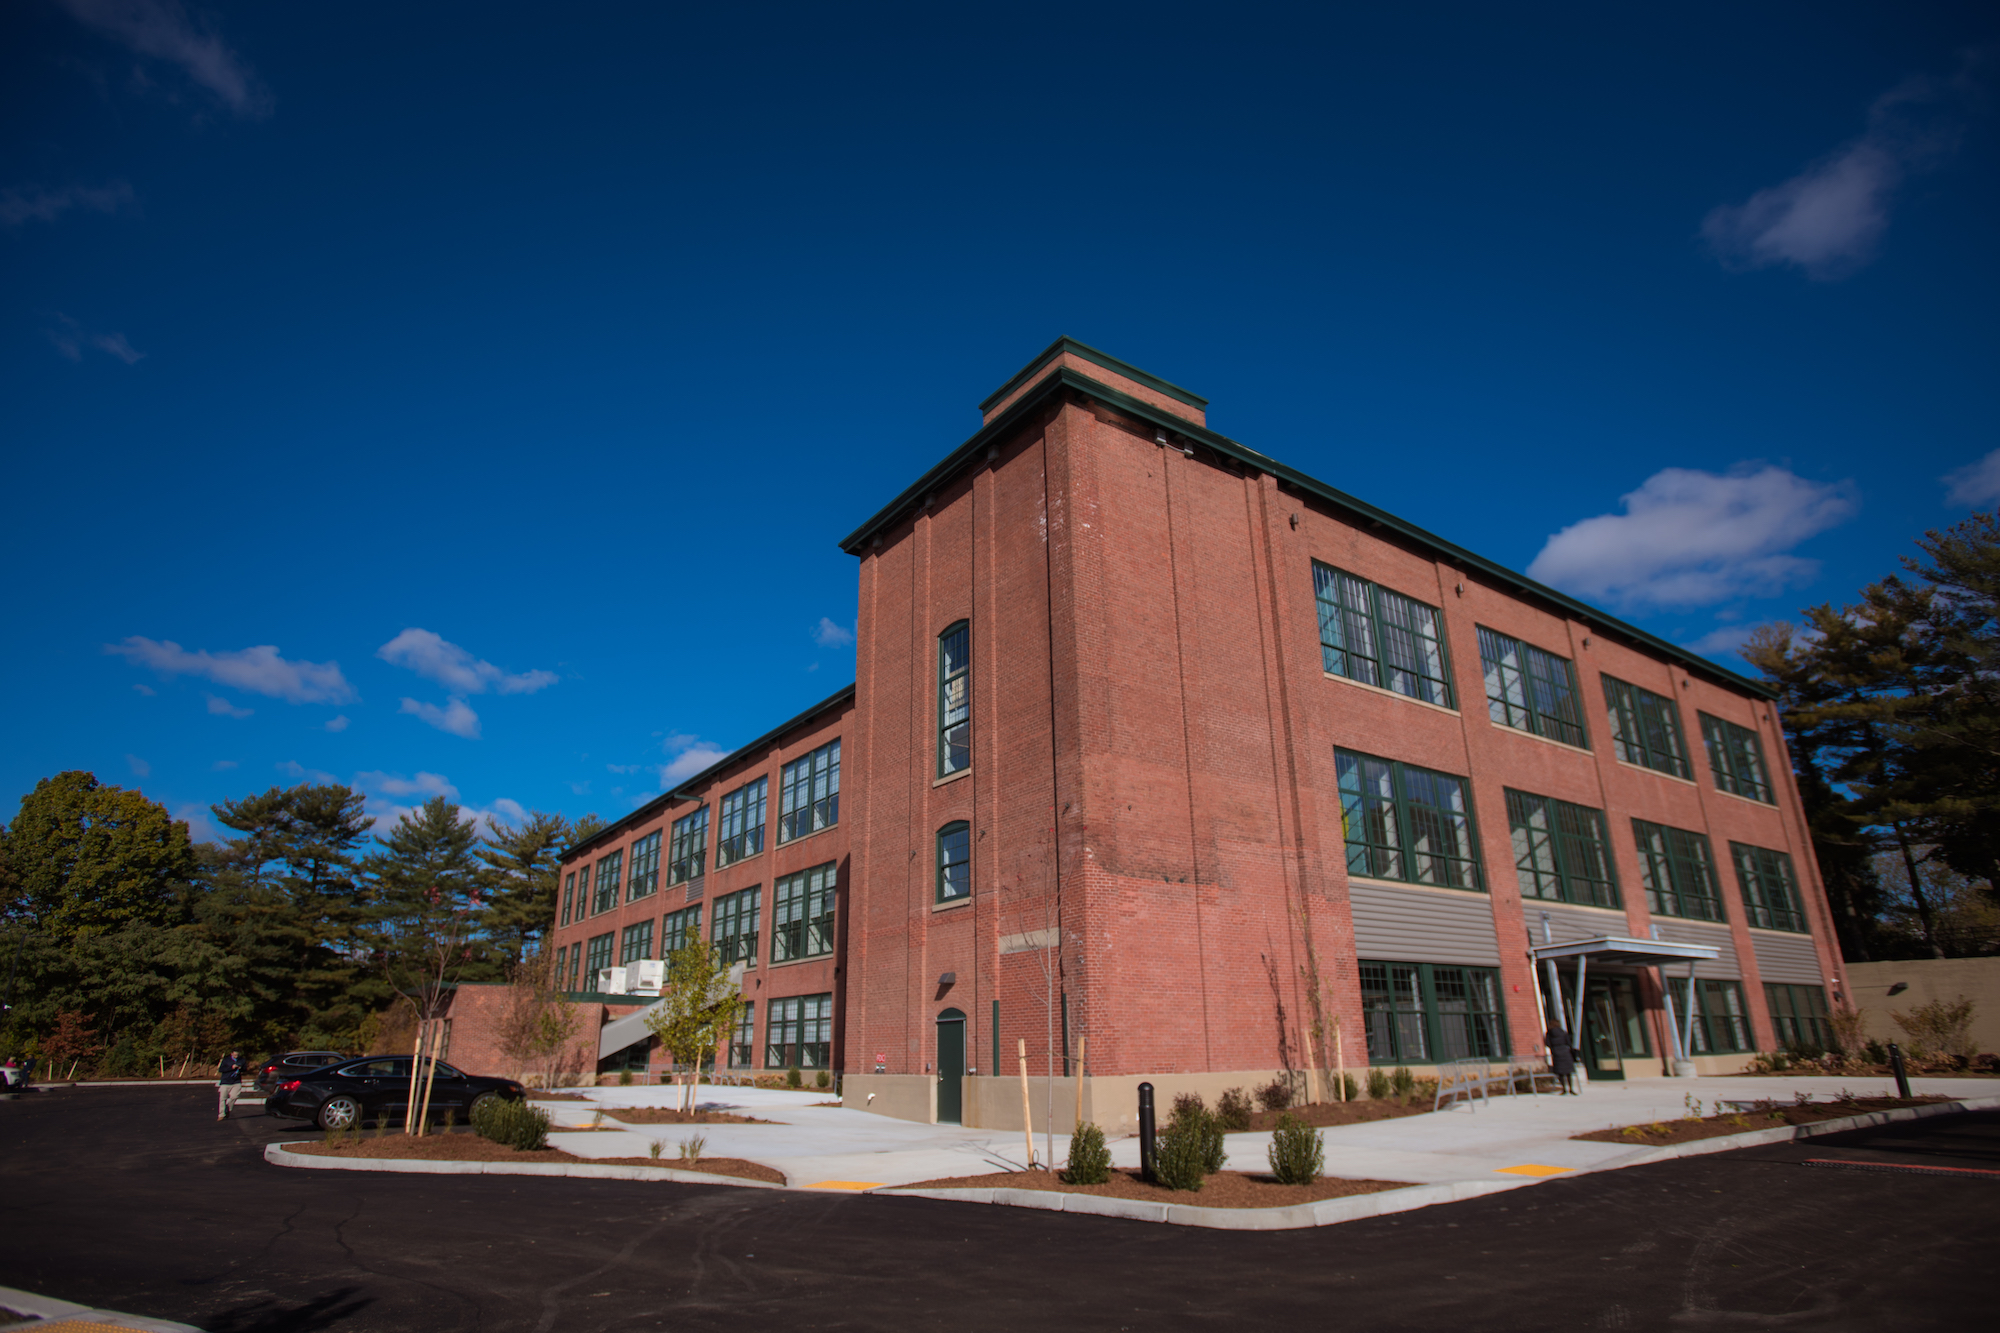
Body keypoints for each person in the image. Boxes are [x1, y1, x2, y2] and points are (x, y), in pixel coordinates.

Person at [1544, 1024, 1577, 1095]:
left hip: (1556, 1053)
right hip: (1565, 1052)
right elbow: (1568, 1042)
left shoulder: (1549, 1034)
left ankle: (1564, 1089)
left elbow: (1547, 1043)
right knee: (1568, 1072)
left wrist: (1553, 1048)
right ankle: (1571, 1089)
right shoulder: (1563, 1032)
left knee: (1560, 1073)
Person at [217, 1050, 245, 1120]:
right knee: (223, 1098)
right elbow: (220, 1069)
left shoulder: (241, 1060)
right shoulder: (226, 1060)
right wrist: (231, 1067)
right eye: (234, 1055)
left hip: (236, 1081)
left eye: (237, 1055)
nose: (236, 1056)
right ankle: (221, 1114)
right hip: (226, 1081)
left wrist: (241, 1068)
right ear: (231, 1054)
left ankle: (228, 1108)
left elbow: (245, 1069)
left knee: (234, 1096)